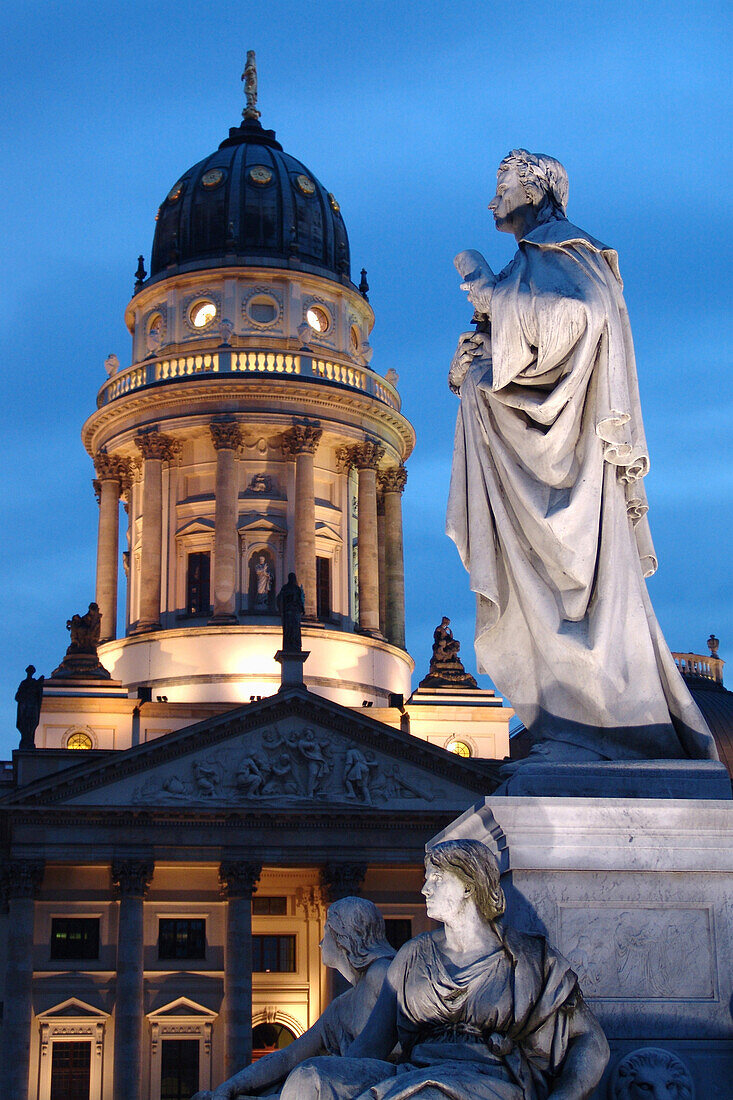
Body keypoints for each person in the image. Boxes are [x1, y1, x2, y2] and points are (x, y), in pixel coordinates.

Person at [446, 149, 717, 763]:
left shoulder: (566, 249)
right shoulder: (533, 259)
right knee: (535, 594)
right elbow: (521, 362)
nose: (494, 201)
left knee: (581, 591)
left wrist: (492, 296)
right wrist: (474, 362)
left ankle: (602, 725)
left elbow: (584, 316)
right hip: (532, 446)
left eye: (504, 185)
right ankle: (569, 722)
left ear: (537, 188)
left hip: (570, 458)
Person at [280, 840, 609, 1100]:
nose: (425, 888)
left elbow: (590, 1042)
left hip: (485, 1078)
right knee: (311, 1079)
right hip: (413, 1072)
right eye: (426, 879)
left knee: (428, 1095)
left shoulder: (527, 958)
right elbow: (369, 1048)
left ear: (469, 885)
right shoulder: (411, 956)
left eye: (436, 879)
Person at [191, 897, 395, 1100]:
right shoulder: (340, 1006)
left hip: (387, 1081)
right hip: (350, 1083)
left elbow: (389, 1047)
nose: (321, 942)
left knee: (309, 1073)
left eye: (326, 931)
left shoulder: (382, 972)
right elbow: (288, 1057)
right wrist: (232, 1086)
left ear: (343, 936)